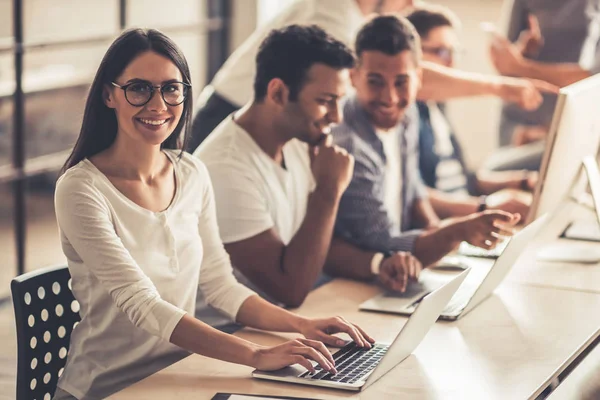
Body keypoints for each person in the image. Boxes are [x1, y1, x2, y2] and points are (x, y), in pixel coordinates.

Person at [52, 28, 372, 400]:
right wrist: (256, 355)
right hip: (108, 388)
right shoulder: (80, 189)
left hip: (182, 375)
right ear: (109, 95)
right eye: (139, 88)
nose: (158, 105)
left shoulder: (190, 173)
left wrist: (303, 326)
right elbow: (143, 305)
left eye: (171, 89)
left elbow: (220, 286)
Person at [194, 25, 422, 323]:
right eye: (326, 101)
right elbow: (289, 288)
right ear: (277, 93)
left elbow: (312, 244)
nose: (337, 117)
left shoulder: (299, 140)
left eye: (340, 101)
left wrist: (378, 264)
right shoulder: (225, 169)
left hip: (287, 323)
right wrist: (328, 190)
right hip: (230, 337)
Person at [186, 0, 552, 152]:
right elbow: (402, 75)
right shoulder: (332, 15)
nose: (410, 7)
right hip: (227, 122)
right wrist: (501, 86)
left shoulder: (349, 16)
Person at [329, 15, 520, 272]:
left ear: (418, 78)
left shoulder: (408, 115)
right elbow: (384, 244)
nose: (390, 97)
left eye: (401, 82)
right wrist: (456, 231)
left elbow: (414, 188)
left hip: (406, 265)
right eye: (375, 81)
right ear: (354, 77)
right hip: (362, 275)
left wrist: (435, 228)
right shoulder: (348, 146)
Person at [405, 5, 535, 220]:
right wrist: (484, 208)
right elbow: (413, 194)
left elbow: (465, 179)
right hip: (452, 224)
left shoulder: (437, 108)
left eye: (454, 52)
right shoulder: (405, 114)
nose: (451, 62)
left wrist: (521, 181)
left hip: (468, 218)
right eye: (441, 52)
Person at [488, 0, 600, 169]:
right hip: (520, 122)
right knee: (501, 173)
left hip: (565, 124)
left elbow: (591, 78)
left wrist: (521, 67)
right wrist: (522, 52)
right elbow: (504, 64)